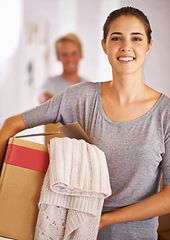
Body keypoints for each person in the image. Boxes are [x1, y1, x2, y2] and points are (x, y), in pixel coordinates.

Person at [0, 6, 170, 240]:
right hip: (73, 233)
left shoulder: (165, 114)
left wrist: (105, 220)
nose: (126, 46)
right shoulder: (78, 97)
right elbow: (10, 125)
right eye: (116, 37)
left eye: (136, 38)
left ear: (149, 45)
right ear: (104, 45)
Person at [39, 33, 87, 104]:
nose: (70, 59)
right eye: (64, 54)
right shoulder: (49, 84)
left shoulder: (89, 86)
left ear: (81, 54)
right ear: (58, 57)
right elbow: (46, 107)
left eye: (73, 53)